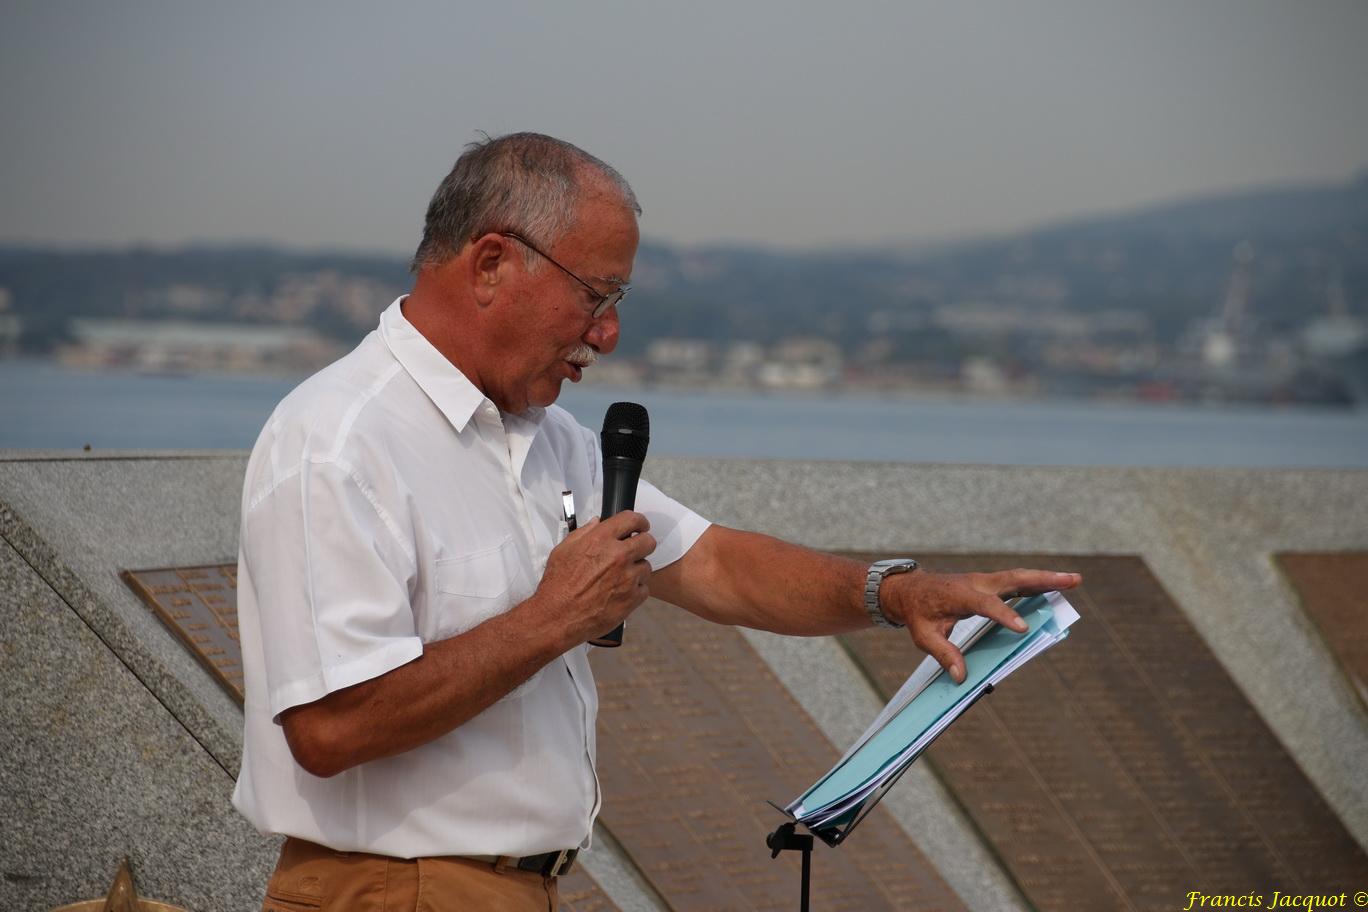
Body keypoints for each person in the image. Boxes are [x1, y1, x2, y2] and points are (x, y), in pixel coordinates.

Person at [232, 132, 1081, 911]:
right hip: (392, 893)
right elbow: (331, 726)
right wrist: (550, 620)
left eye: (620, 297)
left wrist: (894, 593)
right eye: (595, 295)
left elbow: (714, 565)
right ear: (491, 263)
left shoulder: (543, 436)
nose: (608, 332)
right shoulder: (339, 443)